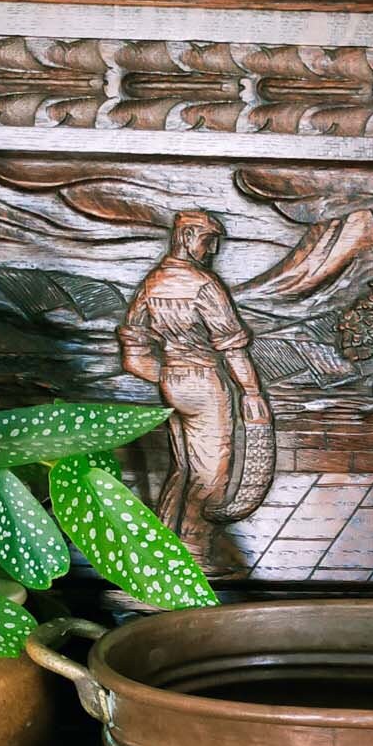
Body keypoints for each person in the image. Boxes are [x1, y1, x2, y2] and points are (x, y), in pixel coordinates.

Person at [117, 210, 274, 543]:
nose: (214, 250)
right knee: (210, 475)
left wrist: (170, 378)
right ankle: (196, 553)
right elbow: (232, 348)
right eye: (209, 240)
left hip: (171, 382)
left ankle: (165, 550)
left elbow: (132, 358)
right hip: (206, 385)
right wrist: (252, 392)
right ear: (186, 237)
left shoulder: (150, 283)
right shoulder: (205, 285)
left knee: (182, 468)